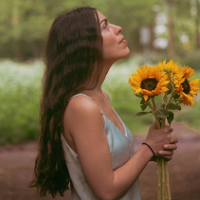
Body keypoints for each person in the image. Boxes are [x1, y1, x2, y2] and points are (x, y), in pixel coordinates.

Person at [30, 6, 178, 200]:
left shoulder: (102, 97)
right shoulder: (82, 107)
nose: (118, 28)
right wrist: (148, 148)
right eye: (105, 26)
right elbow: (107, 191)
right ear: (84, 44)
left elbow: (109, 167)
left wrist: (152, 152)